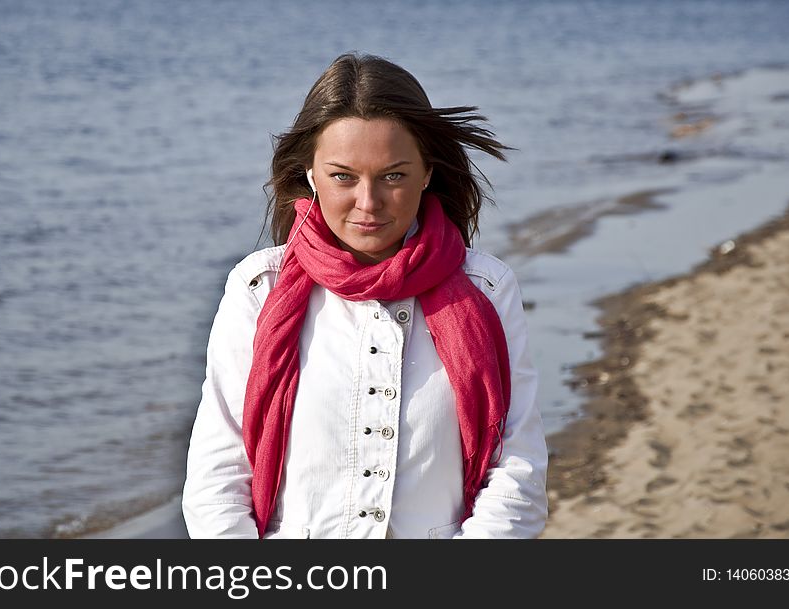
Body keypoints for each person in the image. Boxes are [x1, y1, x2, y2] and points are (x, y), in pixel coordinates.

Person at [182, 52, 548, 539]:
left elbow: (516, 467)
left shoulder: (488, 290)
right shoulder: (257, 289)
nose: (368, 202)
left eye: (393, 175)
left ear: (427, 173)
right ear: (310, 174)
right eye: (343, 176)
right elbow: (217, 476)